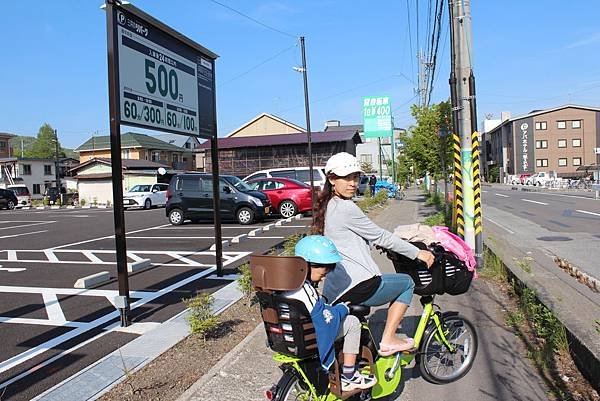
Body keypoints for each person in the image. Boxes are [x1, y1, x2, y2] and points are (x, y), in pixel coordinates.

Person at [313, 152, 435, 356]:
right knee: (406, 283)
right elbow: (381, 236)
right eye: (347, 177)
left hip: (337, 287)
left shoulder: (328, 205)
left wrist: (368, 242)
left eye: (356, 177)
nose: (353, 183)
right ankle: (388, 339)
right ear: (332, 178)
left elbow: (348, 238)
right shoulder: (346, 208)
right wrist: (418, 253)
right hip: (358, 284)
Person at [283, 235, 377, 392]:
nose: (325, 275)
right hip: (308, 338)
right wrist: (342, 309)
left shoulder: (286, 285)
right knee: (352, 322)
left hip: (288, 336)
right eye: (323, 271)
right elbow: (325, 319)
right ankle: (349, 375)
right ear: (307, 265)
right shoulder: (305, 290)